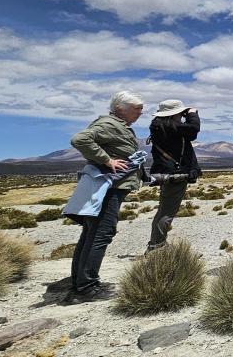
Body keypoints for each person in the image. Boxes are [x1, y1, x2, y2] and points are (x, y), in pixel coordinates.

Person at [62, 91, 146, 303]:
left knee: (91, 232)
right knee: (102, 232)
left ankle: (80, 282)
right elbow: (79, 139)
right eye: (136, 108)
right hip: (108, 186)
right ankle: (87, 287)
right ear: (120, 108)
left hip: (110, 185)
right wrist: (107, 160)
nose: (140, 112)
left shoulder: (118, 125)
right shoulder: (109, 124)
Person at [145, 100, 201, 252]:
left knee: (164, 210)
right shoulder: (170, 127)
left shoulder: (160, 126)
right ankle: (157, 247)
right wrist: (192, 114)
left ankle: (158, 244)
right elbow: (193, 129)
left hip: (167, 173)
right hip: (174, 174)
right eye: (180, 113)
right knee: (167, 212)